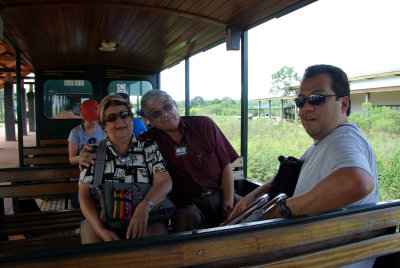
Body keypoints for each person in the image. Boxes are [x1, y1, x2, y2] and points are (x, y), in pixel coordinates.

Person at [230, 64, 378, 268]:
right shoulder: (324, 142)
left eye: (317, 98)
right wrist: (253, 195)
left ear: (343, 104)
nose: (306, 107)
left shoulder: (344, 140)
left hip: (323, 259)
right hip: (305, 250)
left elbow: (357, 181)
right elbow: (294, 169)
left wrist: (284, 209)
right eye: (301, 101)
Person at [79, 90, 239, 232]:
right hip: (185, 203)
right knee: (186, 218)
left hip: (220, 194)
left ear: (175, 104)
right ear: (149, 120)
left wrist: (228, 206)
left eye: (167, 106)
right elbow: (121, 143)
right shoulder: (149, 142)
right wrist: (87, 154)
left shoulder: (203, 125)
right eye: (155, 113)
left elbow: (226, 167)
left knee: (250, 211)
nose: (164, 114)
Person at [78, 94, 173, 243]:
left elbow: (164, 182)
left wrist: (145, 207)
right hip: (102, 219)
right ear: (104, 125)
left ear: (131, 118)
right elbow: (84, 195)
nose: (119, 121)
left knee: (158, 247)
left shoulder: (148, 147)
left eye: (124, 114)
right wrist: (102, 231)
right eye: (111, 118)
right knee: (94, 254)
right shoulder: (92, 153)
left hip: (145, 217)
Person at [68, 99, 105, 165]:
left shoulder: (103, 129)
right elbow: (71, 159)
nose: (93, 123)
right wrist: (80, 158)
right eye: (90, 120)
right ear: (83, 117)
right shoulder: (75, 132)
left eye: (96, 120)